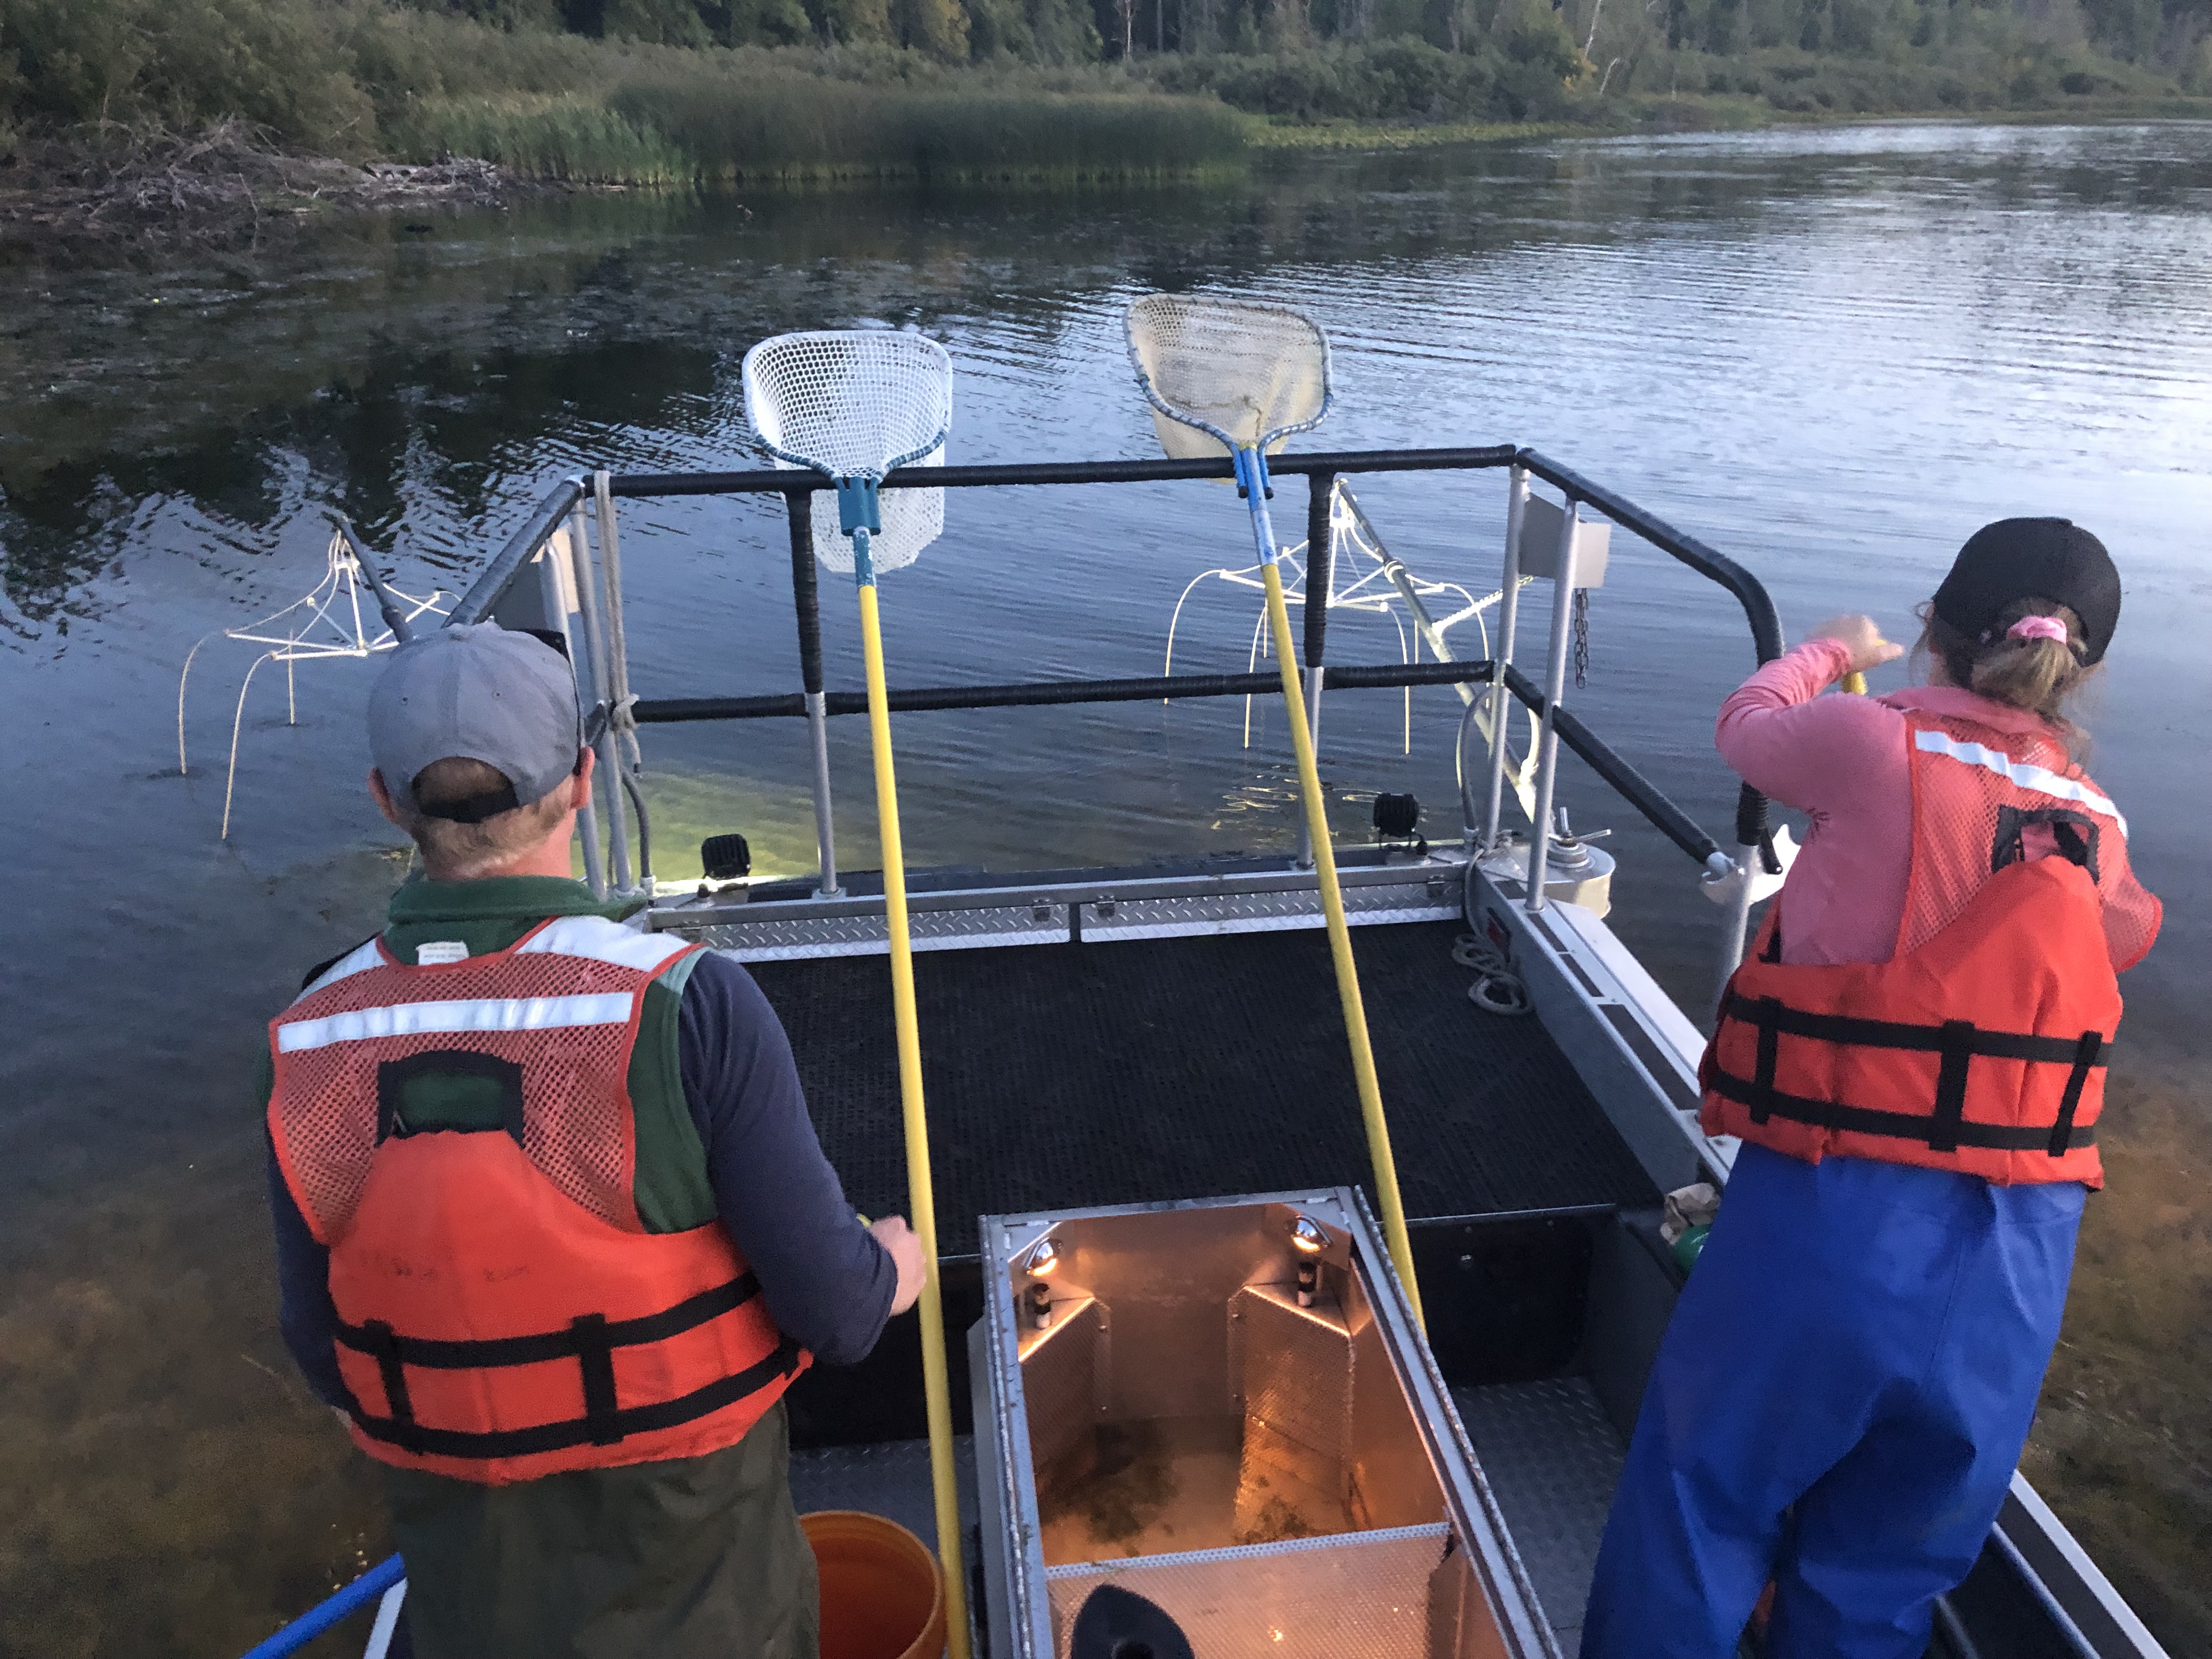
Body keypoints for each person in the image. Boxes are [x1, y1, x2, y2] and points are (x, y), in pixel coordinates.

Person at [261, 621, 926, 1659]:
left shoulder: (311, 1035)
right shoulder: (687, 1006)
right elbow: (837, 1318)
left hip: (470, 1623)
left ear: (387, 801)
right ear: (580, 778)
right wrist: (894, 1262)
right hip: (714, 1620)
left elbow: (324, 1350)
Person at [1581, 518, 2161, 1659]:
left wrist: (1827, 651)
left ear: (1936, 627)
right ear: (2080, 668)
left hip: (1835, 1223)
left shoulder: (1868, 741)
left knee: (1706, 1500)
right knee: (1889, 1566)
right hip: (2017, 1264)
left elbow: (1749, 730)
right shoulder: (2098, 825)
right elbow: (2129, 935)